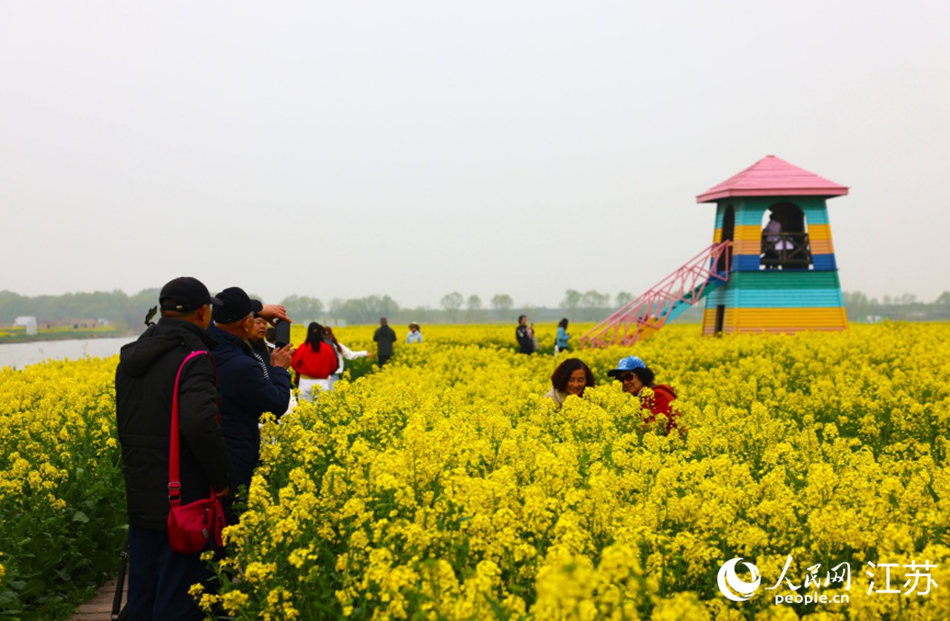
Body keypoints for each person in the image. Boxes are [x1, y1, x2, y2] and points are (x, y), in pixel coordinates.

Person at [115, 277, 232, 620]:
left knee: (143, 599)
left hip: (142, 492)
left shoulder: (132, 358)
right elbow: (198, 424)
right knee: (179, 601)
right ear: (202, 312)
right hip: (184, 499)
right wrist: (221, 476)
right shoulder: (193, 357)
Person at [208, 287, 293, 498]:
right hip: (236, 457)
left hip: (211, 454)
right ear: (247, 324)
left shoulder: (205, 343)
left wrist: (258, 308)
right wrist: (279, 370)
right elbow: (276, 405)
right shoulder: (241, 365)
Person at [608, 356, 681, 433]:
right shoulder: (636, 399)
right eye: (621, 379)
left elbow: (655, 428)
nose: (625, 382)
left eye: (629, 376)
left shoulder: (659, 395)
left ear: (642, 375)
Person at [291, 322, 340, 400]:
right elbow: (334, 366)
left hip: (305, 382)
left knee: (304, 410)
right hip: (323, 382)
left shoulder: (303, 347)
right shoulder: (327, 348)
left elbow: (294, 363)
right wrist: (325, 372)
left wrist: (302, 370)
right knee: (322, 409)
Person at [323, 325, 369, 390]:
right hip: (323, 377)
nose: (326, 338)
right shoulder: (319, 348)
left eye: (327, 335)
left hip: (332, 376)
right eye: (325, 336)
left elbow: (351, 355)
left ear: (331, 336)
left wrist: (365, 353)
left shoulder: (337, 346)